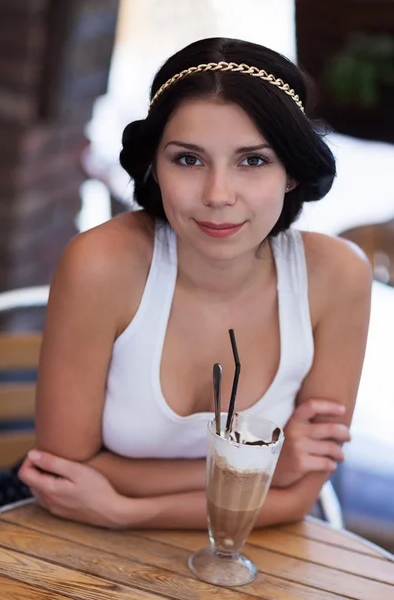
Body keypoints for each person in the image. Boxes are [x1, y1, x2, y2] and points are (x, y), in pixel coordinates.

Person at [18, 37, 372, 529]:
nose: (217, 194)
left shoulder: (337, 276)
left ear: (291, 170)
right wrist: (264, 465)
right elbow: (66, 472)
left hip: (251, 549)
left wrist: (128, 510)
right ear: (154, 166)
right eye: (188, 159)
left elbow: (297, 495)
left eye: (253, 160)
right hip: (78, 536)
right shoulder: (101, 265)